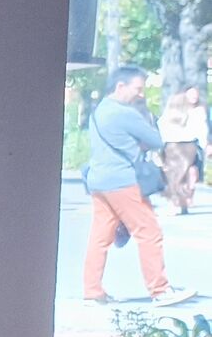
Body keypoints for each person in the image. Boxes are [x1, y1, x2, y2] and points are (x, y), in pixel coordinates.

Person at [83, 66, 194, 306]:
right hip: (123, 180)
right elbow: (156, 140)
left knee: (100, 236)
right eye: (138, 88)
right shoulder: (126, 113)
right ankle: (160, 290)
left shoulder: (98, 110)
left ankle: (92, 291)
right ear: (120, 86)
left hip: (98, 180)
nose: (141, 94)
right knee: (149, 232)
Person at [159, 84, 206, 214]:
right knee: (179, 175)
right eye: (191, 94)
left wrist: (204, 144)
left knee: (182, 174)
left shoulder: (197, 111)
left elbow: (202, 130)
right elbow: (163, 127)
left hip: (185, 145)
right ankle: (179, 201)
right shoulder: (174, 111)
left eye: (196, 94)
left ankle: (180, 200)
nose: (194, 97)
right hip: (177, 145)